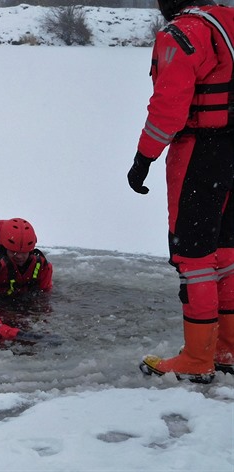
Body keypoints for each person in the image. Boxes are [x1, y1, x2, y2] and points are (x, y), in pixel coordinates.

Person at [126, 1, 234, 382]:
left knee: (194, 256)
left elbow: (169, 107)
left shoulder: (182, 33)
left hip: (201, 152)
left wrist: (144, 158)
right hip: (231, 151)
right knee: (226, 251)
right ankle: (227, 349)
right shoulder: (229, 23)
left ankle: (197, 358)